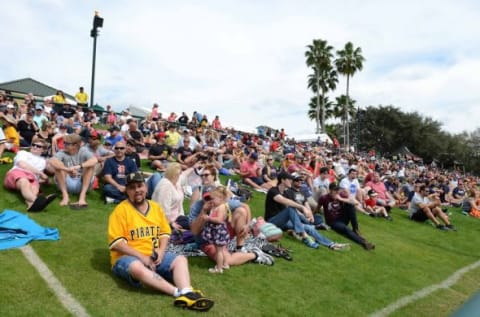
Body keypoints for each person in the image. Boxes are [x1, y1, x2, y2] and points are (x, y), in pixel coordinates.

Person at [107, 172, 214, 312]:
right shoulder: (120, 211)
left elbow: (164, 232)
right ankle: (178, 293)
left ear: (145, 187)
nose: (137, 190)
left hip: (154, 256)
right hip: (126, 258)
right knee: (138, 268)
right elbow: (116, 243)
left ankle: (187, 291)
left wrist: (161, 251)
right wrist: (142, 257)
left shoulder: (155, 207)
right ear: (127, 191)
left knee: (180, 259)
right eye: (132, 187)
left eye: (140, 185)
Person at [265, 171, 347, 250]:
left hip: (284, 222)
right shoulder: (273, 191)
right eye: (289, 179)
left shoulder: (286, 193)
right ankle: (304, 236)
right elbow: (284, 201)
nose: (291, 181)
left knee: (309, 227)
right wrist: (302, 208)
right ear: (282, 180)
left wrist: (306, 215)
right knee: (291, 209)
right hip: (272, 221)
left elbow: (292, 209)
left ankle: (331, 244)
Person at [317, 183, 375, 250]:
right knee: (346, 229)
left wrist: (341, 199)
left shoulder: (340, 195)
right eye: (334, 190)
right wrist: (312, 217)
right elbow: (317, 209)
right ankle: (364, 243)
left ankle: (355, 229)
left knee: (350, 205)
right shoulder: (323, 198)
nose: (336, 192)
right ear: (330, 190)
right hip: (333, 222)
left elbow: (355, 203)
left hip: (342, 218)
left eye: (337, 190)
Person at [3, 137, 56, 211]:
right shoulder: (23, 153)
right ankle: (39, 201)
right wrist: (40, 173)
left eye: (38, 146)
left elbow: (51, 172)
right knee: (24, 181)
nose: (35, 147)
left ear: (43, 150)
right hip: (18, 173)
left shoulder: (43, 161)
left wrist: (46, 180)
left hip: (32, 178)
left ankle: (31, 205)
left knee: (35, 189)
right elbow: (22, 165)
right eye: (33, 145)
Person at [48, 134, 97, 208]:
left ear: (75, 145)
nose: (64, 145)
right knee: (58, 167)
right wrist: (67, 170)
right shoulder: (62, 152)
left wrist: (79, 166)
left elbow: (94, 160)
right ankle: (65, 196)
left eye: (66, 143)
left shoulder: (83, 151)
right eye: (64, 143)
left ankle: (82, 197)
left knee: (90, 167)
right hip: (66, 182)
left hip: (82, 182)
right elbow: (52, 161)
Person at [201, 186, 231, 273]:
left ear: (221, 198)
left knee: (219, 251)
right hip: (217, 231)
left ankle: (218, 268)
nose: (211, 200)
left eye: (213, 199)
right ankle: (225, 263)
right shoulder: (218, 206)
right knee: (221, 249)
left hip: (219, 231)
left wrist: (208, 218)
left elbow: (219, 220)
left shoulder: (221, 207)